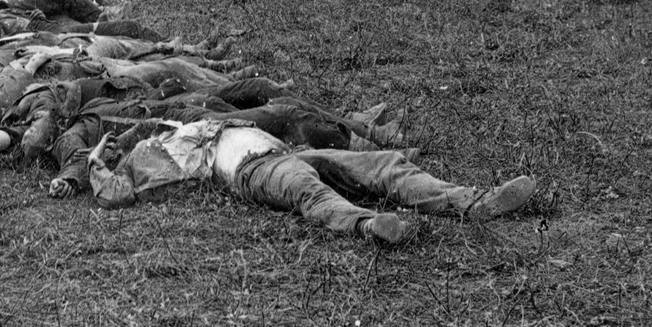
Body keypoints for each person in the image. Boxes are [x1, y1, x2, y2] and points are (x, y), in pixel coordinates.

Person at [65, 119, 537, 243]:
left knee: (382, 163)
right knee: (308, 192)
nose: (136, 133)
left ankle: (476, 203)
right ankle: (370, 226)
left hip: (286, 152)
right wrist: (94, 161)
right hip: (255, 172)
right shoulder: (145, 159)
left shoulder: (181, 125)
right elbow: (112, 195)